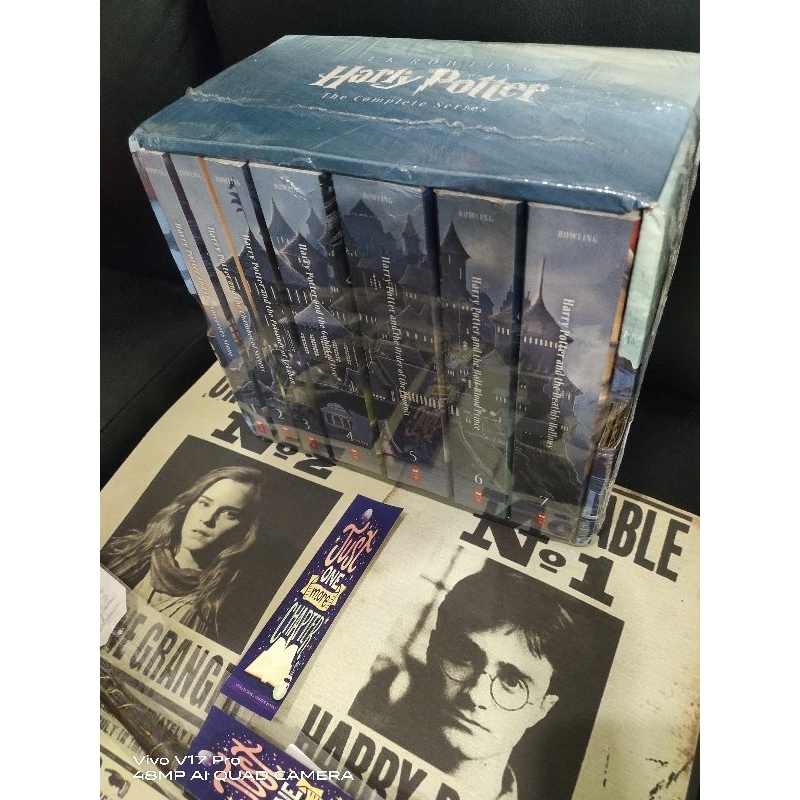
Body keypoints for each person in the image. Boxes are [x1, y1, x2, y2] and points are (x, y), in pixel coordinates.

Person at [350, 561, 575, 800]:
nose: (475, 695)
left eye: (511, 681)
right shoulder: (350, 750)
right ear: (432, 650)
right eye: (464, 657)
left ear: (542, 709)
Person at [102, 466, 264, 640]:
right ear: (188, 505)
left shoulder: (223, 607)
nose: (207, 519)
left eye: (229, 514)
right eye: (204, 503)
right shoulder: (124, 552)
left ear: (245, 529)